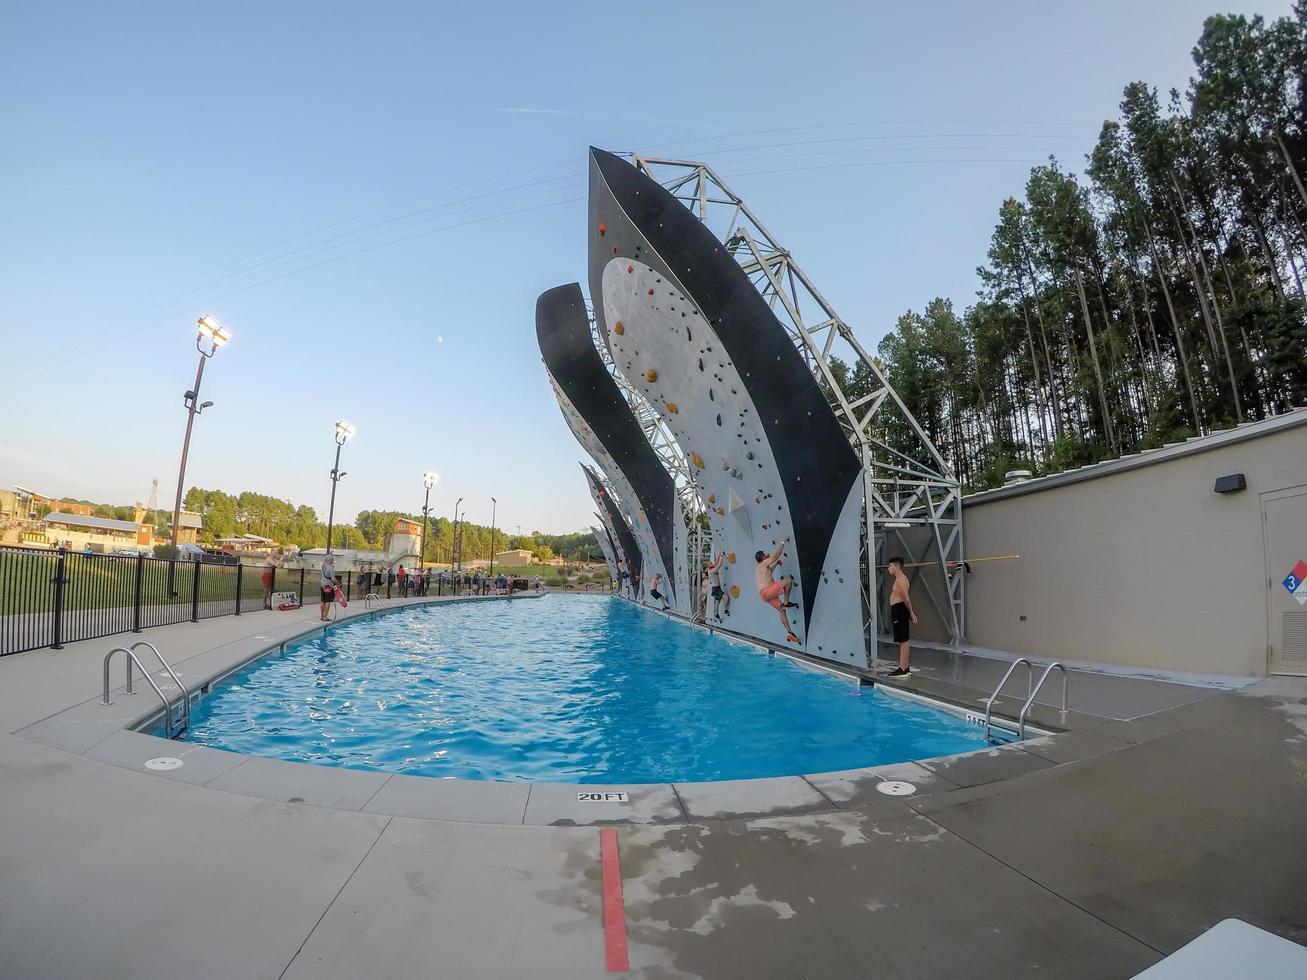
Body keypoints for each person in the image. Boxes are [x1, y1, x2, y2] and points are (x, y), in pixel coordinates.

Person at [755, 537, 800, 643]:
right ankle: (786, 601)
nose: (767, 554)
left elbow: (769, 572)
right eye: (765, 554)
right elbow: (775, 556)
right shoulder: (763, 563)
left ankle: (789, 632)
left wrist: (776, 563)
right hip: (767, 590)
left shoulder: (759, 568)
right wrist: (783, 541)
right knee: (788, 581)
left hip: (764, 595)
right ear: (762, 557)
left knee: (781, 610)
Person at [886, 556, 918, 676]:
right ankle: (905, 666)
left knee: (903, 640)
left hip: (900, 609)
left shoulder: (900, 580)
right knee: (903, 639)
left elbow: (906, 599)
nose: (889, 568)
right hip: (899, 609)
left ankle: (902, 668)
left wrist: (911, 613)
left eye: (890, 566)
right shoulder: (899, 579)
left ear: (897, 566)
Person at [707, 552, 731, 621]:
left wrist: (719, 554)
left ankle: (716, 615)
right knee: (726, 597)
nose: (712, 563)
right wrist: (721, 556)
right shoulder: (711, 571)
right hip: (716, 589)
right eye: (711, 563)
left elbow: (716, 562)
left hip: (716, 588)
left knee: (717, 601)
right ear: (708, 566)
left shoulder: (711, 568)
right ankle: (725, 610)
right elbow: (719, 565)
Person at [319, 554, 338, 622]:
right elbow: (333, 579)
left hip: (322, 585)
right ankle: (325, 617)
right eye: (332, 559)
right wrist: (338, 583)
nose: (333, 560)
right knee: (328, 601)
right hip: (328, 586)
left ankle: (322, 616)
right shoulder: (331, 568)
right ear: (330, 560)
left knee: (323, 600)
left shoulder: (323, 566)